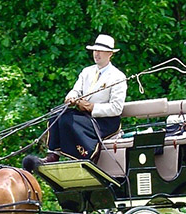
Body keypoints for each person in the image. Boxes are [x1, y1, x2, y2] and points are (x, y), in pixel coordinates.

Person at [41, 34, 127, 163]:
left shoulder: (118, 77)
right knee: (57, 114)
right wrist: (71, 97)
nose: (96, 54)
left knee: (68, 120)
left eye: (100, 51)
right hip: (86, 116)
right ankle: (53, 153)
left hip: (105, 121)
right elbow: (76, 90)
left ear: (110, 54)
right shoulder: (87, 72)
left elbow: (116, 108)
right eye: (95, 50)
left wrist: (92, 107)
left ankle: (87, 154)